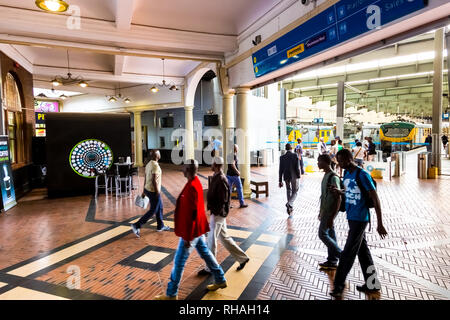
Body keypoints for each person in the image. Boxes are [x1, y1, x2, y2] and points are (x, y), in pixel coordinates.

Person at [155, 160, 227, 300]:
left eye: (183, 167)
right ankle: (220, 279)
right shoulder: (194, 182)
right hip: (197, 230)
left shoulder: (192, 186)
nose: (181, 169)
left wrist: (188, 237)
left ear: (188, 169)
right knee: (206, 254)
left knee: (179, 262)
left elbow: (193, 214)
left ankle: (171, 294)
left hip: (191, 232)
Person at [329, 149, 388, 299]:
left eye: (343, 161)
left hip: (360, 219)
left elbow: (375, 199)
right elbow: (350, 191)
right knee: (363, 252)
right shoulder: (347, 174)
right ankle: (372, 283)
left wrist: (380, 223)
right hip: (351, 217)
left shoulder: (362, 174)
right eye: (339, 162)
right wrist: (339, 192)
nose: (341, 164)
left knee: (348, 252)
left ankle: (338, 285)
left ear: (350, 158)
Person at [198, 157, 250, 276]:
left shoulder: (221, 179)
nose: (210, 164)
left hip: (218, 214)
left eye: (212, 163)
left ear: (215, 164)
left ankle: (209, 267)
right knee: (224, 238)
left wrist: (216, 212)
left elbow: (223, 199)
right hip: (217, 213)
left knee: (211, 240)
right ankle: (242, 258)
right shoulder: (218, 176)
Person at [131, 150, 170, 237]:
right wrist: (157, 192)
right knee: (153, 210)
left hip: (148, 189)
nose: (160, 154)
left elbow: (146, 178)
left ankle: (160, 226)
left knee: (160, 207)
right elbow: (154, 180)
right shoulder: (155, 166)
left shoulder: (149, 164)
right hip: (153, 191)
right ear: (156, 155)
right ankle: (136, 225)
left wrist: (144, 190)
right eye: (159, 153)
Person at [317, 154, 342, 270]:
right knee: (331, 233)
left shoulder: (333, 177)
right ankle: (332, 260)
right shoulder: (326, 175)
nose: (317, 163)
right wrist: (320, 211)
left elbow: (338, 198)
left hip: (330, 210)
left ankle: (341, 255)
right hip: (325, 210)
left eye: (319, 161)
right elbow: (324, 196)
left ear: (325, 162)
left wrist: (332, 216)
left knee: (322, 234)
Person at [279, 143, 301, 215]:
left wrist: (280, 180)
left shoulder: (282, 157)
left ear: (286, 149)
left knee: (288, 190)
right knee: (295, 190)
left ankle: (289, 207)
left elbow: (280, 170)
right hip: (294, 176)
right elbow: (297, 167)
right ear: (291, 148)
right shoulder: (295, 155)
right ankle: (289, 203)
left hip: (286, 176)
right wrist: (298, 176)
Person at [226, 144, 248, 208]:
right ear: (235, 149)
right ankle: (242, 203)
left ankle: (228, 204)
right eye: (237, 148)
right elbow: (232, 164)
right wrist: (237, 171)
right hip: (235, 175)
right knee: (239, 188)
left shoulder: (228, 155)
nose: (238, 149)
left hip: (229, 175)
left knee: (229, 190)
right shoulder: (234, 155)